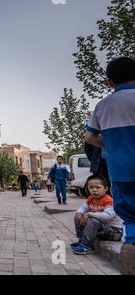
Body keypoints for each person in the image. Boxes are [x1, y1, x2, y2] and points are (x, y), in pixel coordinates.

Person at [84, 57, 135, 274]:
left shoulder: (103, 105)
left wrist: (112, 146)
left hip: (121, 170)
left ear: (109, 83)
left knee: (130, 218)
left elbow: (89, 137)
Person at [71, 175, 122, 255]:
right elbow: (83, 208)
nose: (94, 190)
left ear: (106, 188)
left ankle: (87, 245)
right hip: (101, 229)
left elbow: (107, 216)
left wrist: (89, 214)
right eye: (91, 187)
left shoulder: (109, 200)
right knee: (77, 216)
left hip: (115, 232)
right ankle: (81, 239)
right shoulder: (91, 199)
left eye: (97, 187)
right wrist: (79, 213)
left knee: (91, 220)